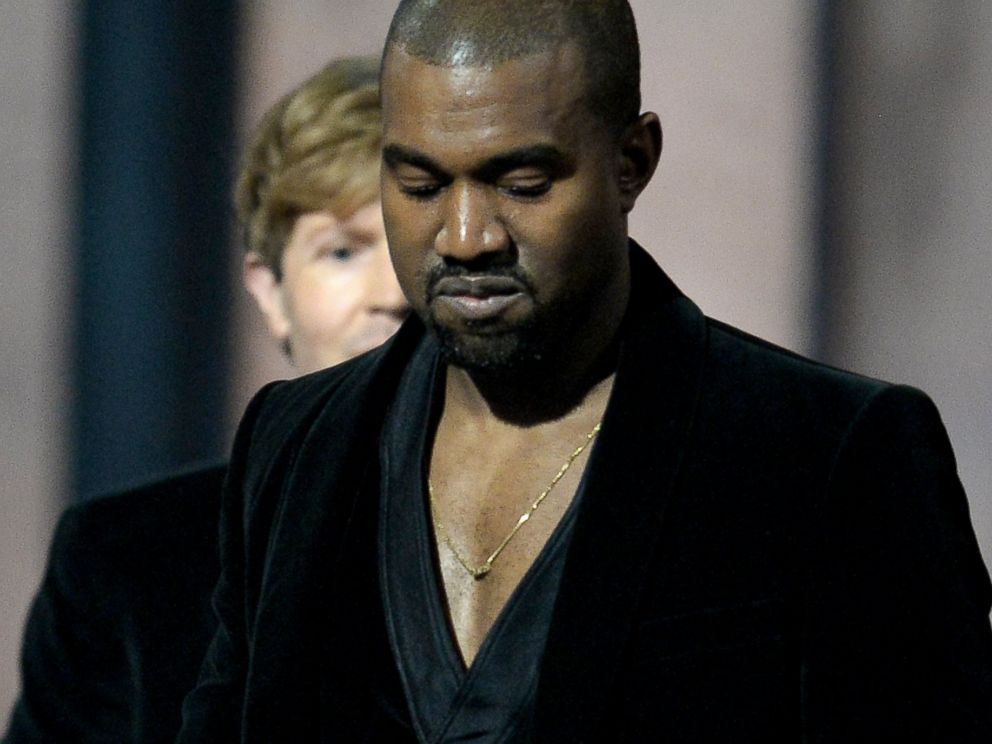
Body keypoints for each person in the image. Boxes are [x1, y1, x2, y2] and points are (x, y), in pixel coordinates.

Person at [177, 2, 992, 742]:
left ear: (631, 161)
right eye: (419, 183)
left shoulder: (827, 455)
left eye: (521, 183)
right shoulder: (295, 444)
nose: (465, 236)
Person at [2, 56, 407, 744]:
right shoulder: (121, 563)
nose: (390, 293)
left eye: (413, 248)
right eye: (343, 252)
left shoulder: (565, 532)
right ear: (270, 292)